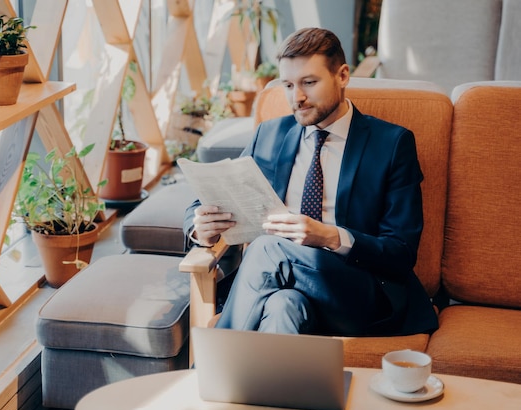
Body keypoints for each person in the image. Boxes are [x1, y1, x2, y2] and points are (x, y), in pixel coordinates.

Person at [183, 27, 438, 337]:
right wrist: (201, 228)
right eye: (288, 85)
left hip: (358, 291)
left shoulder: (392, 143)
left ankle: (204, 372)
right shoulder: (270, 135)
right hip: (285, 284)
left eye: (309, 83)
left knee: (266, 249)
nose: (297, 98)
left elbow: (401, 251)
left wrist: (328, 236)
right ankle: (269, 386)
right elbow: (209, 197)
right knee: (282, 307)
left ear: (342, 76)